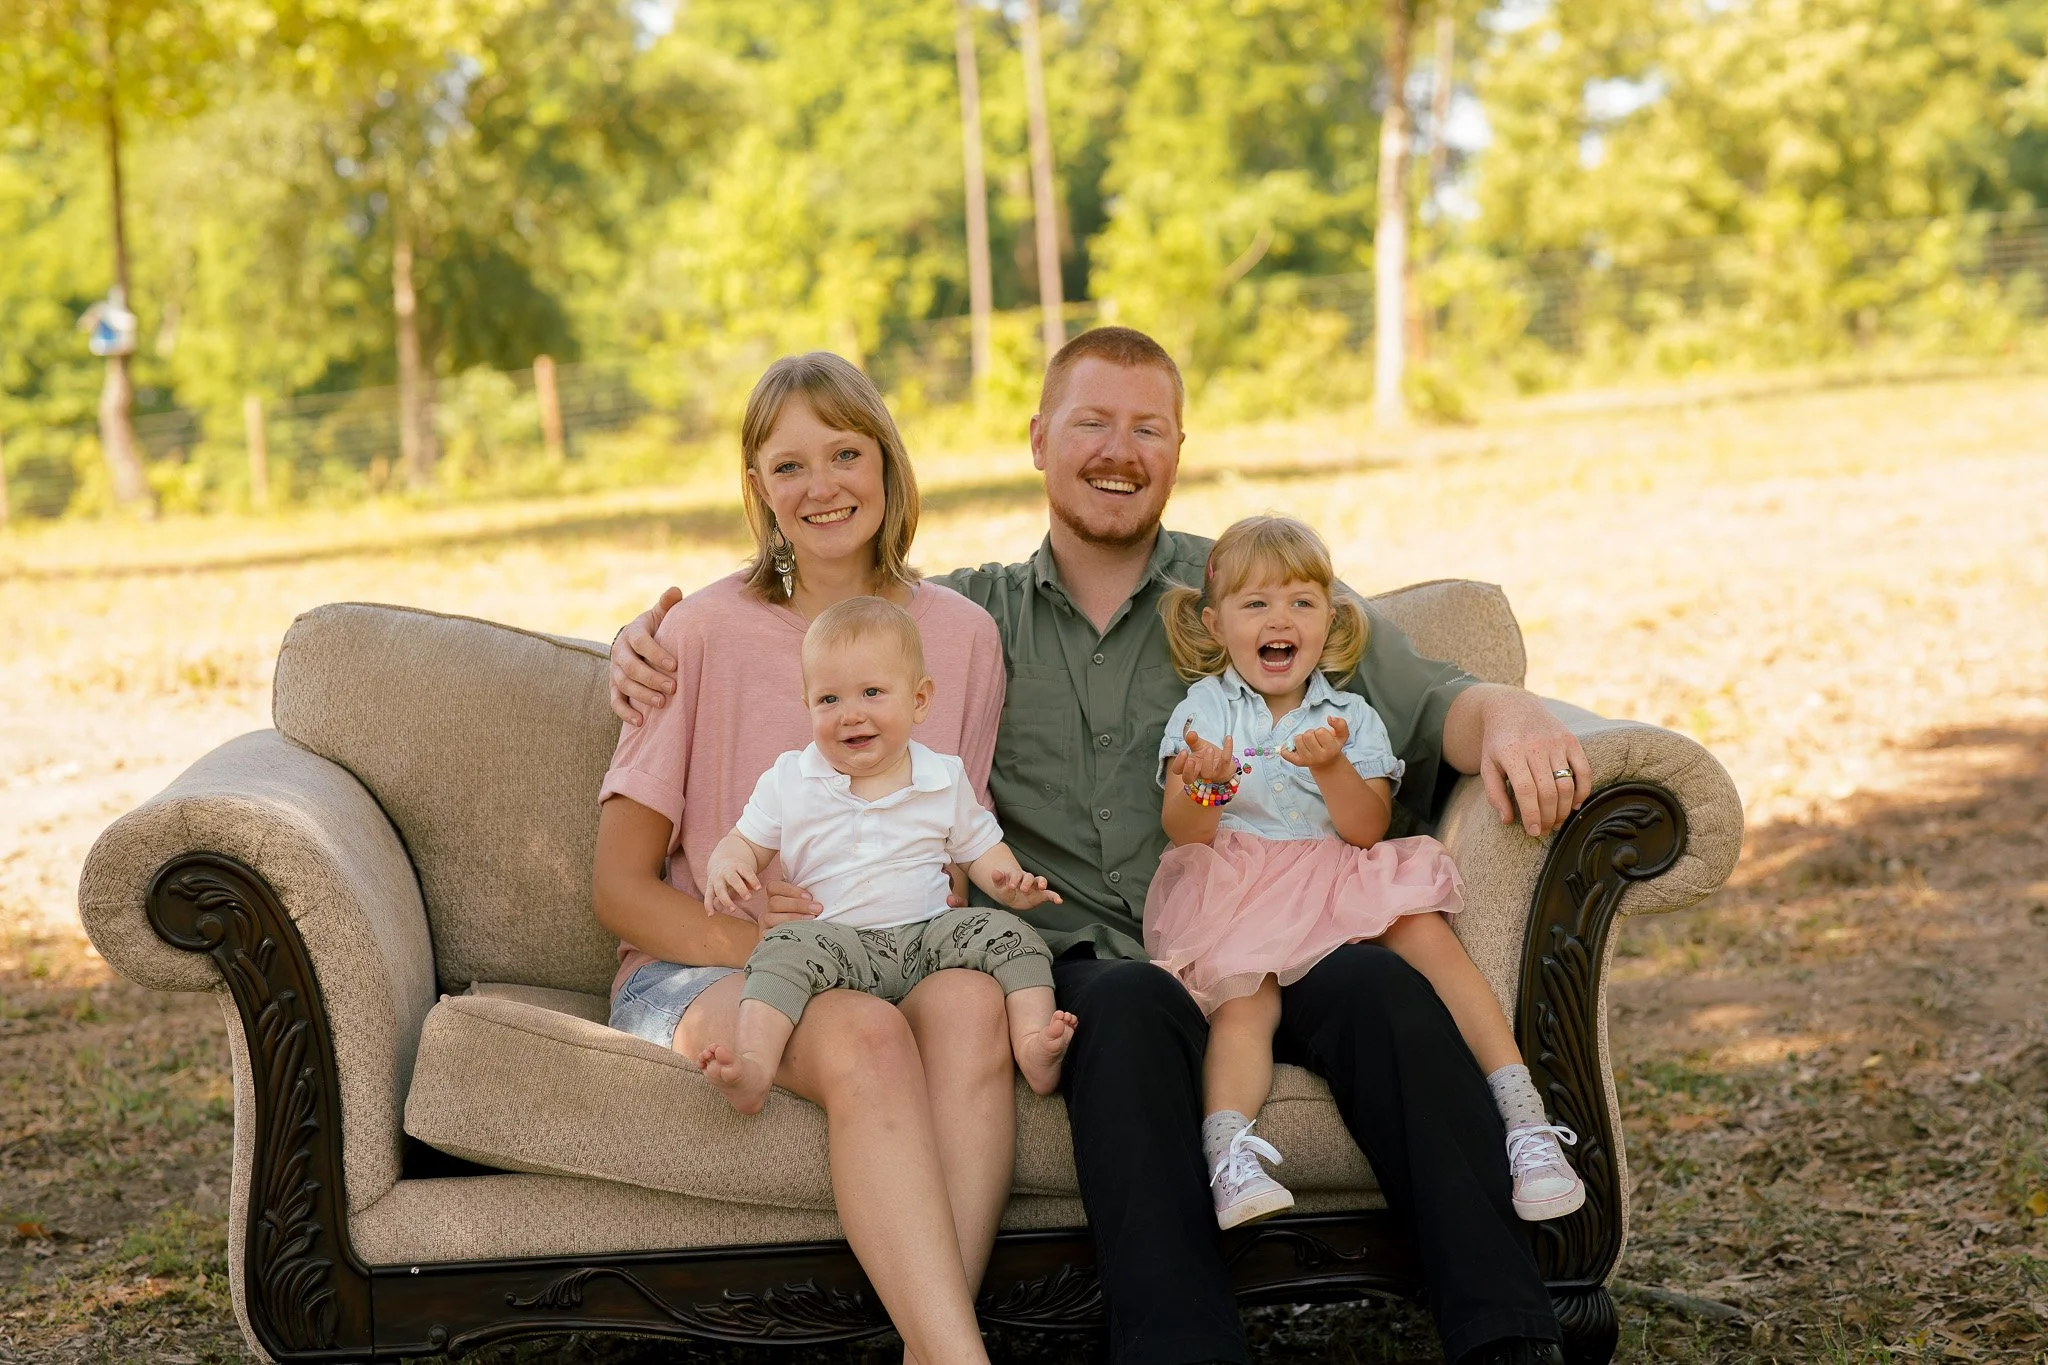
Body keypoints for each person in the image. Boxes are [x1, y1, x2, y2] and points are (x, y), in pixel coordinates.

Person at [610, 327, 1596, 1365]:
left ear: (1178, 447)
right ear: (1039, 439)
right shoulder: (969, 619)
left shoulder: (1247, 593)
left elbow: (1433, 700)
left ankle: (1507, 1336)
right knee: (1124, 1009)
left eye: (1145, 429)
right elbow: (834, 636)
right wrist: (642, 644)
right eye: (1091, 424)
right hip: (1099, 960)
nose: (1118, 452)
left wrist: (1512, 714)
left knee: (1385, 993)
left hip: (1277, 930)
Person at [593, 352, 1016, 1365]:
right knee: (865, 1032)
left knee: (971, 1005)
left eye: (845, 454)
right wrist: (766, 942)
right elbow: (617, 887)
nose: (821, 486)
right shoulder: (694, 633)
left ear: (888, 464)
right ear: (757, 489)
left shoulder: (962, 639)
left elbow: (952, 854)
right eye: (788, 466)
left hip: (887, 952)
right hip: (698, 968)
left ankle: (932, 1351)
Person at [1150, 514, 1586, 1231]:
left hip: (1335, 871)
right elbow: (1183, 831)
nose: (1279, 620)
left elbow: (1366, 829)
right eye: (1255, 604)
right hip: (1244, 884)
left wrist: (1331, 766)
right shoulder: (1203, 711)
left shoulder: (1350, 715)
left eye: (1301, 602)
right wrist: (1205, 785)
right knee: (1244, 1002)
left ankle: (1524, 1120)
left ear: (1329, 620)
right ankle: (1229, 1155)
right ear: (1215, 624)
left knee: (1427, 934)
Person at [698, 596, 1077, 1114]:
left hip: (928, 936)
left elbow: (981, 851)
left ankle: (1034, 1045)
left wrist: (1010, 882)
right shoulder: (791, 779)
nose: (850, 714)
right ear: (806, 706)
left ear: (919, 700)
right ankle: (754, 1065)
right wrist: (728, 863)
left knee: (1010, 935)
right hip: (834, 942)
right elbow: (744, 840)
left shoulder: (943, 777)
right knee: (780, 951)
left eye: (872, 692)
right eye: (828, 699)